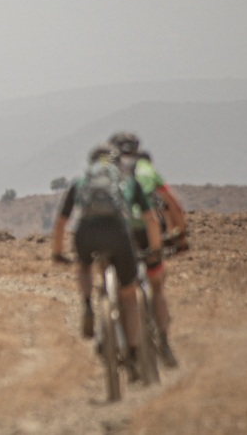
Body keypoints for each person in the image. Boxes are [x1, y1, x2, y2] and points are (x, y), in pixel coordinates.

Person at [49, 144, 151, 378]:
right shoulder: (126, 182)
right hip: (118, 234)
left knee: (84, 266)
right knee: (129, 296)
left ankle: (87, 305)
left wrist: (57, 253)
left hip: (87, 234)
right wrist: (154, 249)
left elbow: (61, 223)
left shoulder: (81, 182)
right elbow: (150, 220)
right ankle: (133, 352)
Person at [110, 132, 188, 366]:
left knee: (123, 285)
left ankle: (118, 334)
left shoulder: (109, 169)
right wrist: (180, 236)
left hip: (117, 232)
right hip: (148, 230)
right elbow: (173, 205)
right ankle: (163, 341)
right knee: (157, 285)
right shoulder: (147, 168)